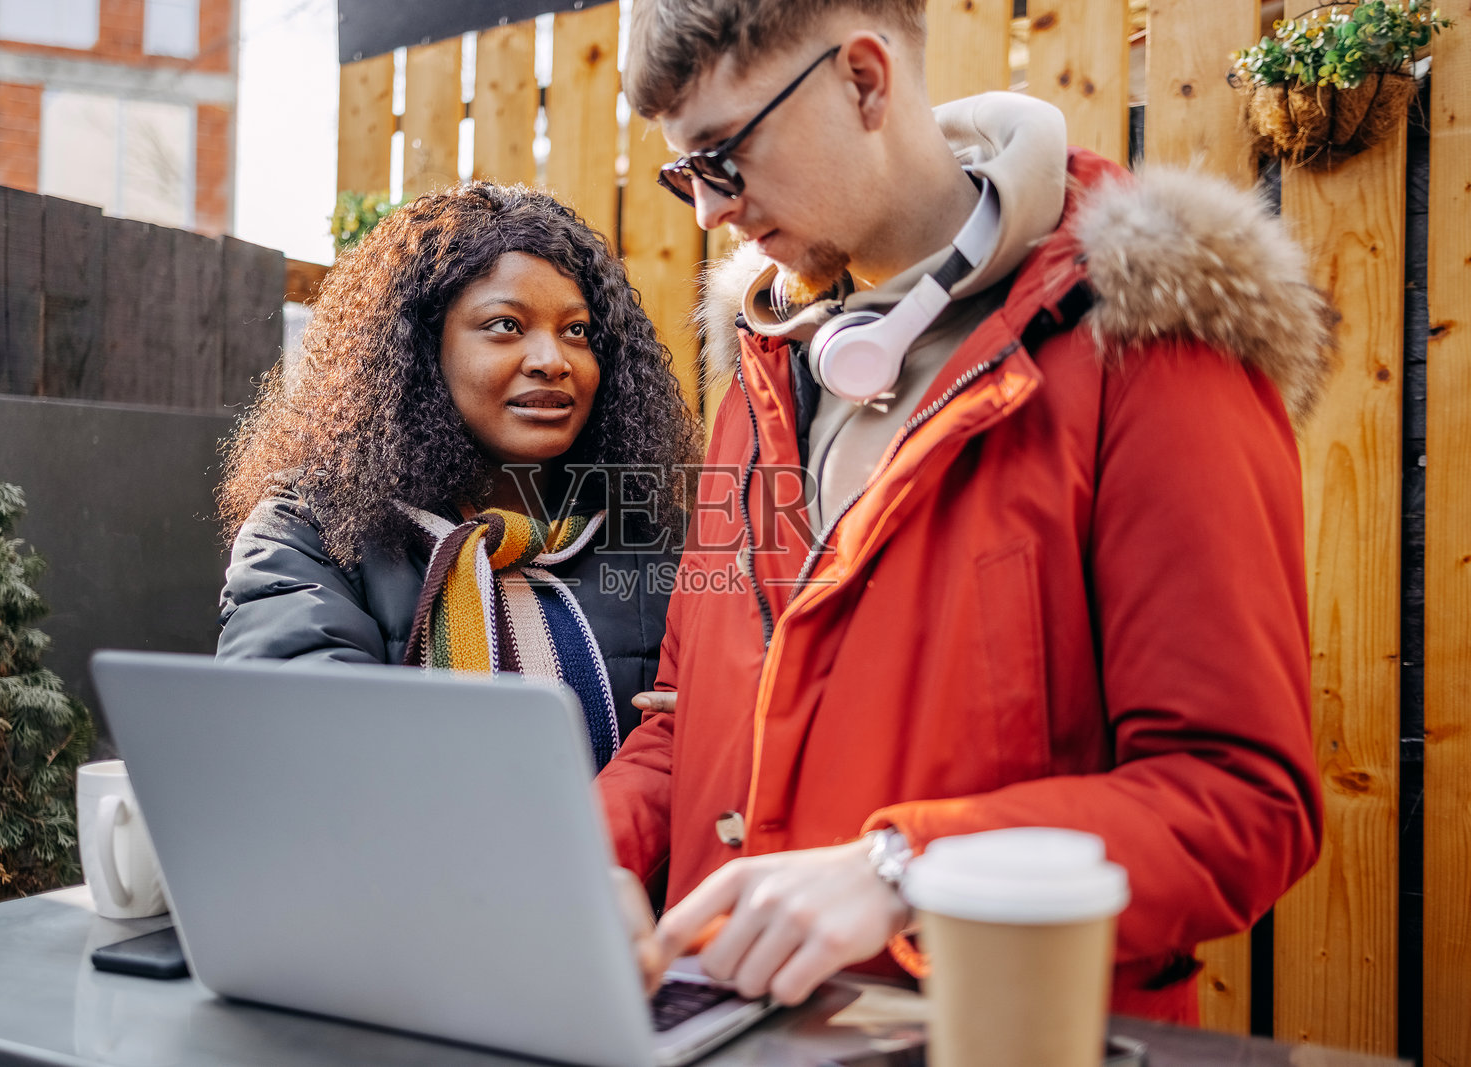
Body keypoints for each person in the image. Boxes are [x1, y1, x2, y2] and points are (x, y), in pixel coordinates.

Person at [601, 0, 1329, 1022]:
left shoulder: (1144, 337)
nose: (708, 214)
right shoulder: (763, 364)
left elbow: (1239, 800)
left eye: (724, 156)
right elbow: (685, 716)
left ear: (863, 80)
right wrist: (587, 848)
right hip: (727, 1029)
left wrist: (907, 870)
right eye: (688, 173)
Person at [216, 182, 702, 770]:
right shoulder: (309, 534)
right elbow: (307, 748)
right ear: (422, 351)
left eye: (576, 331)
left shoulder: (664, 539)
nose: (553, 360)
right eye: (505, 325)